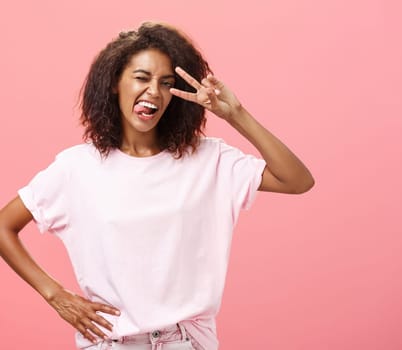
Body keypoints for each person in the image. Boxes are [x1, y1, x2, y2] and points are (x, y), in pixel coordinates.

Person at [0, 22, 314, 350]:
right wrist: (56, 295)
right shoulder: (76, 168)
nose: (154, 91)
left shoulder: (209, 159)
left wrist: (235, 113)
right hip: (112, 343)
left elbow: (296, 180)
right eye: (141, 77)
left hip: (187, 342)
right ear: (113, 84)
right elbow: (3, 225)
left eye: (166, 83)